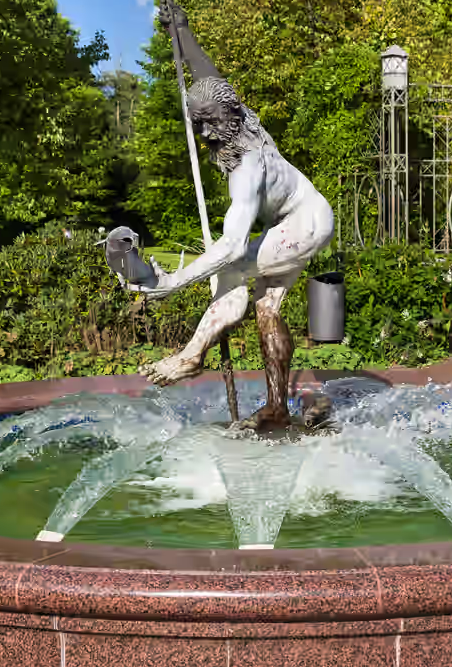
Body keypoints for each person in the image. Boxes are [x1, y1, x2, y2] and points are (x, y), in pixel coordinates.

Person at [137, 74, 334, 429]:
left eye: (213, 122)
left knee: (231, 268)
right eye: (199, 123)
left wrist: (172, 282)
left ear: (232, 113)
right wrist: (181, 29)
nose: (207, 134)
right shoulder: (250, 124)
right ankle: (276, 408)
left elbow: (233, 246)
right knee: (266, 307)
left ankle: (192, 355)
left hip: (303, 222)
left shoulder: (247, 167)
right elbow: (210, 77)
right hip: (307, 219)